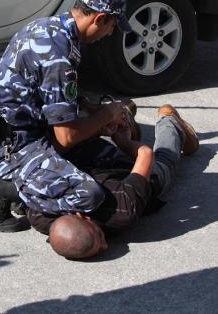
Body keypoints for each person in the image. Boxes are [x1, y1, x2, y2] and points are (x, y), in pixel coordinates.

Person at [0, 0, 135, 233]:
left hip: (31, 131)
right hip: (10, 148)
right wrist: (107, 114)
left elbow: (50, 92)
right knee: (89, 195)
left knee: (114, 162)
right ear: (99, 18)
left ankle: (37, 184)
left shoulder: (53, 28)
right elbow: (67, 137)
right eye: (112, 25)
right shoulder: (57, 55)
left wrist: (89, 108)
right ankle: (0, 189)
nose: (110, 33)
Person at [29, 104, 199, 259]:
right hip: (87, 153)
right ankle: (120, 118)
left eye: (100, 236)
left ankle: (169, 122)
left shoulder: (121, 209)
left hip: (106, 161)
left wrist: (125, 143)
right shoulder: (38, 215)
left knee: (163, 167)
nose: (105, 246)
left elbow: (145, 154)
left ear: (82, 216)